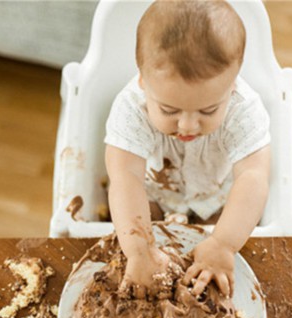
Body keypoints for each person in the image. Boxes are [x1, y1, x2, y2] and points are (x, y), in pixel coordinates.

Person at [104, 0, 270, 299]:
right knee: (134, 218)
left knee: (220, 229)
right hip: (153, 194)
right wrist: (139, 251)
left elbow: (253, 176)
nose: (189, 125)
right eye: (169, 109)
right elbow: (125, 177)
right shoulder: (131, 108)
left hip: (216, 198)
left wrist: (223, 243)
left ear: (232, 86)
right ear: (143, 82)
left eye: (208, 110)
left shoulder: (244, 110)